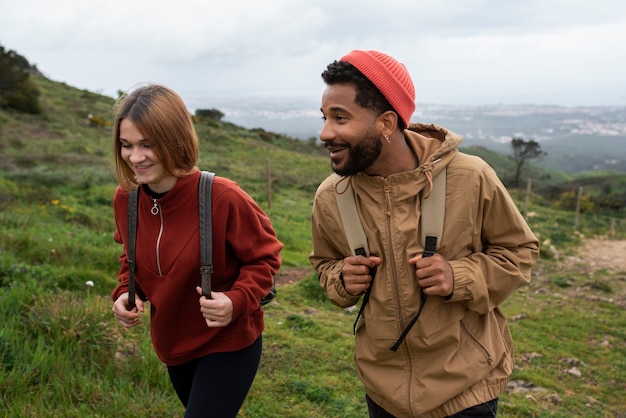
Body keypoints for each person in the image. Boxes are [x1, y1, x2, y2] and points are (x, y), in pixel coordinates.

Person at [310, 50, 539, 417]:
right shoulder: (330, 197)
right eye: (324, 118)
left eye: (340, 118)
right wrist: (341, 279)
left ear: (386, 123)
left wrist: (458, 275)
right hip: (382, 388)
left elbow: (520, 251)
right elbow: (325, 264)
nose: (325, 133)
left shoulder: (471, 176)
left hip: (466, 387)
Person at [110, 84, 283, 417]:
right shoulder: (126, 199)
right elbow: (131, 258)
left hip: (228, 342)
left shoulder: (222, 196)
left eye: (148, 144)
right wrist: (125, 292)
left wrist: (236, 301)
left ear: (175, 140)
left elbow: (266, 258)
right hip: (173, 343)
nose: (135, 157)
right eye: (126, 145)